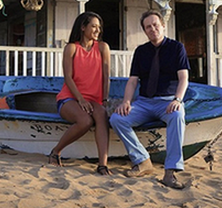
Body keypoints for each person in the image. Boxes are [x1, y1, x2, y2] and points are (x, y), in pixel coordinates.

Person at [110, 10, 190, 189]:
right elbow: (132, 81)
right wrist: (126, 102)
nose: (152, 29)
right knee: (117, 119)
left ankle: (170, 172)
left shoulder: (177, 48)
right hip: (144, 102)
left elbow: (183, 78)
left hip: (168, 101)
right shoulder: (141, 51)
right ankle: (143, 160)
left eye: (155, 25)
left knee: (177, 116)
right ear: (145, 31)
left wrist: (178, 99)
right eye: (148, 27)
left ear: (163, 26)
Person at [49, 11, 112, 175]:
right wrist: (81, 100)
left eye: (99, 27)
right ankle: (56, 151)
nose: (97, 30)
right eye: (93, 26)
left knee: (102, 116)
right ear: (83, 27)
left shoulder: (103, 47)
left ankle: (102, 165)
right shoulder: (71, 48)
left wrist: (104, 100)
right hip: (69, 98)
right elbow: (68, 78)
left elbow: (106, 77)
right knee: (85, 121)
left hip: (94, 100)